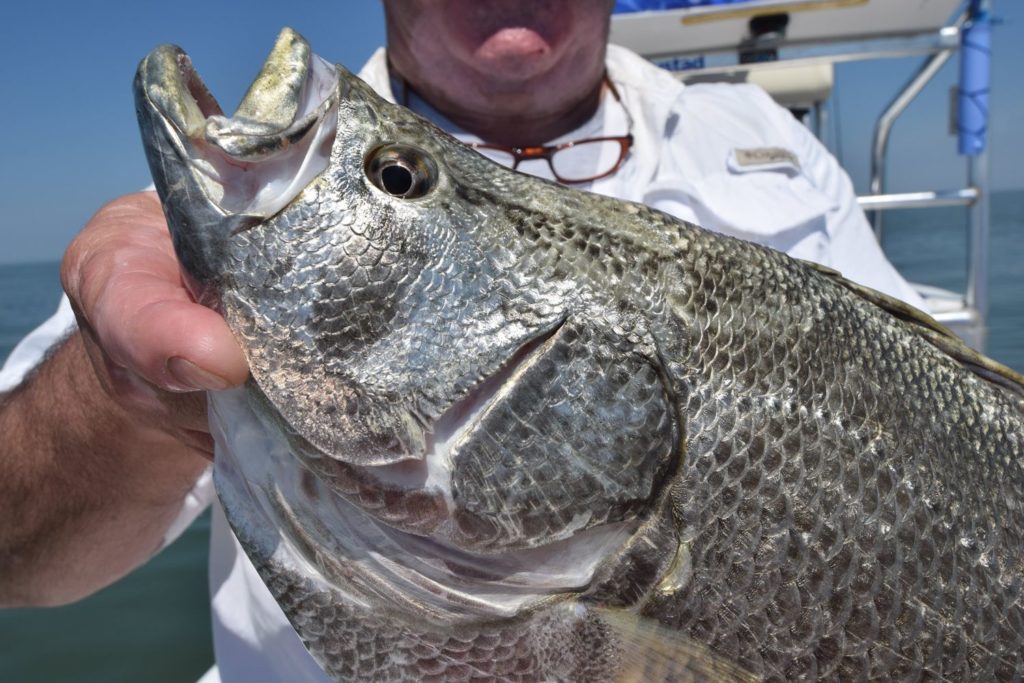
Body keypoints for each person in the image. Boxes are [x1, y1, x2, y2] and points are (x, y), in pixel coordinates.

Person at [0, 1, 925, 681]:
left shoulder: (760, 134)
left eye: (393, 176)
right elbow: (14, 556)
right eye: (396, 176)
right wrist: (127, 391)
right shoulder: (244, 220)